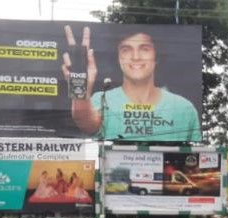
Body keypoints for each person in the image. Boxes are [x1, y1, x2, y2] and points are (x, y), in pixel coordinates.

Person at [62, 26, 201, 142]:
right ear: (117, 57)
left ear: (156, 56)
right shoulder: (102, 99)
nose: (135, 57)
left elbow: (194, 159)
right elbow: (85, 121)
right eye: (126, 50)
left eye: (145, 49)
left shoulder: (184, 108)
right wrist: (78, 81)